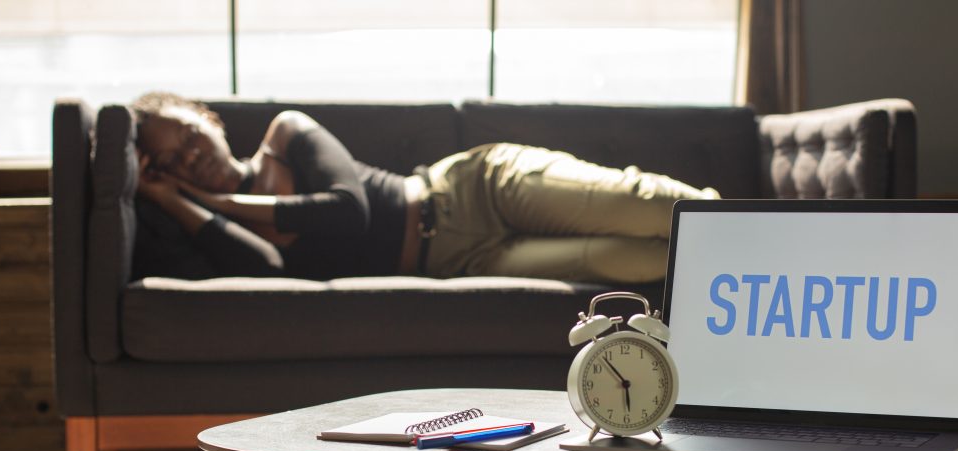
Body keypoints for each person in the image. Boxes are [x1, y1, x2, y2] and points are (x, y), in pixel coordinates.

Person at [131, 92, 719, 284]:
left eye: (187, 134)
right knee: (632, 262)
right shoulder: (217, 230)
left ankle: (768, 231)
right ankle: (741, 279)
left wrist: (213, 201)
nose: (189, 155)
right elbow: (267, 270)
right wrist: (173, 203)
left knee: (646, 207)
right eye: (170, 160)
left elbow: (347, 213)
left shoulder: (285, 133)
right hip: (464, 259)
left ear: (207, 120)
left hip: (475, 190)